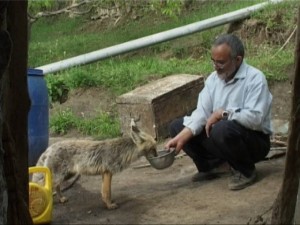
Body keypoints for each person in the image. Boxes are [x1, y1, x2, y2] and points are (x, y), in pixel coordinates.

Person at [165, 33, 273, 190]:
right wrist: (180, 138)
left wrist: (224, 113)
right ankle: (213, 166)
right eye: (213, 61)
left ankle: (245, 170)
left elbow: (256, 118)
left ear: (238, 60)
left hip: (254, 141)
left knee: (222, 127)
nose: (216, 66)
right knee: (177, 127)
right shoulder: (213, 79)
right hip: (222, 136)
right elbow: (201, 113)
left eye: (221, 62)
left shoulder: (256, 79)